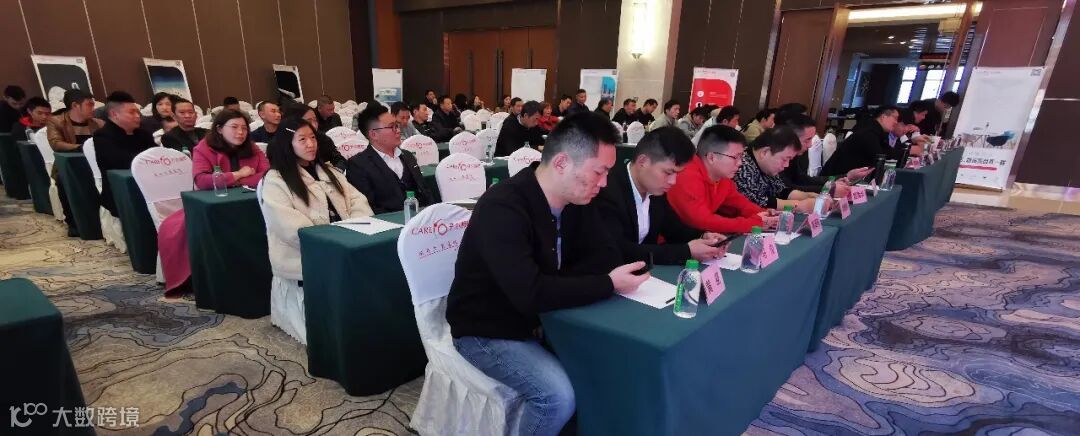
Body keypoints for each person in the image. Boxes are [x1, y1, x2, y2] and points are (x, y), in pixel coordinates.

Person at [447, 112, 649, 436]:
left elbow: (606, 254)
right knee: (556, 397)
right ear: (562, 163)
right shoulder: (503, 207)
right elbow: (529, 294)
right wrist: (606, 283)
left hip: (546, 317)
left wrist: (567, 282)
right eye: (599, 172)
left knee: (609, 365)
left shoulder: (576, 200)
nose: (603, 183)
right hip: (486, 330)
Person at [260, 118, 373, 344]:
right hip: (307, 255)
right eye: (302, 139)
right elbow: (288, 226)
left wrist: (355, 231)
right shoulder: (276, 179)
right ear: (287, 144)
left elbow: (357, 200)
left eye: (312, 138)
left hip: (347, 243)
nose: (310, 144)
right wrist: (331, 243)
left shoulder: (328, 171)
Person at [595, 127, 728, 265]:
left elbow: (674, 228)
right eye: (668, 173)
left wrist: (704, 237)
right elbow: (619, 250)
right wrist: (686, 251)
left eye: (677, 173)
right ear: (642, 162)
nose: (673, 181)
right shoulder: (607, 190)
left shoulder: (654, 190)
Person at [667, 125, 776, 233]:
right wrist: (754, 224)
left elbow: (741, 205)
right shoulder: (687, 175)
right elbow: (703, 221)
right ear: (711, 157)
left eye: (741, 156)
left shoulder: (722, 178)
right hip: (675, 240)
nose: (740, 163)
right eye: (735, 157)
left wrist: (766, 215)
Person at [345, 105, 434, 213]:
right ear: (374, 134)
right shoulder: (358, 165)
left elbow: (425, 192)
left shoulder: (407, 156)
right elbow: (368, 209)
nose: (398, 130)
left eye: (397, 125)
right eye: (392, 127)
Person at [733, 126, 825, 213]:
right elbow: (757, 202)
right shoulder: (742, 167)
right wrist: (801, 205)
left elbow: (781, 190)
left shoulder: (765, 165)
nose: (786, 165)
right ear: (764, 152)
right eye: (784, 159)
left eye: (789, 160)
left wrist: (808, 196)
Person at [94, 91, 155, 218]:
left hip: (149, 186)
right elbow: (122, 161)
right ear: (114, 114)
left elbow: (156, 155)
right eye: (132, 112)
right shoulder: (102, 136)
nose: (137, 116)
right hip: (120, 192)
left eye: (137, 112)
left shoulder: (143, 134)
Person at [777, 112, 868, 195]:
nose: (810, 145)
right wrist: (829, 189)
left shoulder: (794, 155)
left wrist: (845, 177)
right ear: (791, 138)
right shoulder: (776, 155)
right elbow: (785, 189)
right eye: (807, 140)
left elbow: (803, 179)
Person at [191, 109, 270, 191]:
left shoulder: (251, 147)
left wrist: (236, 181)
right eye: (234, 127)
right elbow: (201, 181)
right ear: (219, 129)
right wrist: (239, 174)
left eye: (244, 128)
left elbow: (267, 175)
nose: (240, 132)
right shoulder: (203, 148)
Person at [821, 105, 909, 178]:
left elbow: (887, 152)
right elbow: (879, 156)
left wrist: (905, 152)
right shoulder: (868, 132)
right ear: (883, 117)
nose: (896, 122)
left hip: (849, 177)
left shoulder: (876, 131)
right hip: (834, 179)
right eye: (895, 118)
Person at [283, 104, 346, 169]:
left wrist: (337, 170)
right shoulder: (282, 144)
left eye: (315, 120)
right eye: (308, 121)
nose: (314, 125)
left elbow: (338, 159)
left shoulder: (322, 138)